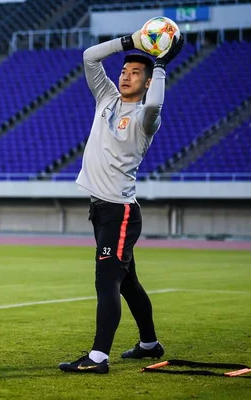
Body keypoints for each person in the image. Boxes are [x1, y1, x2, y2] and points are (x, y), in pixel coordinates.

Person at [58, 31, 184, 374]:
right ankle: (149, 344)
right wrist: (131, 41)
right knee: (128, 282)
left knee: (107, 282)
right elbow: (89, 56)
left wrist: (159, 65)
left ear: (145, 84)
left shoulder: (146, 117)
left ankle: (98, 357)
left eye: (134, 73)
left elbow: (156, 103)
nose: (126, 75)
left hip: (120, 212)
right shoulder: (107, 99)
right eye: (125, 70)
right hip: (101, 210)